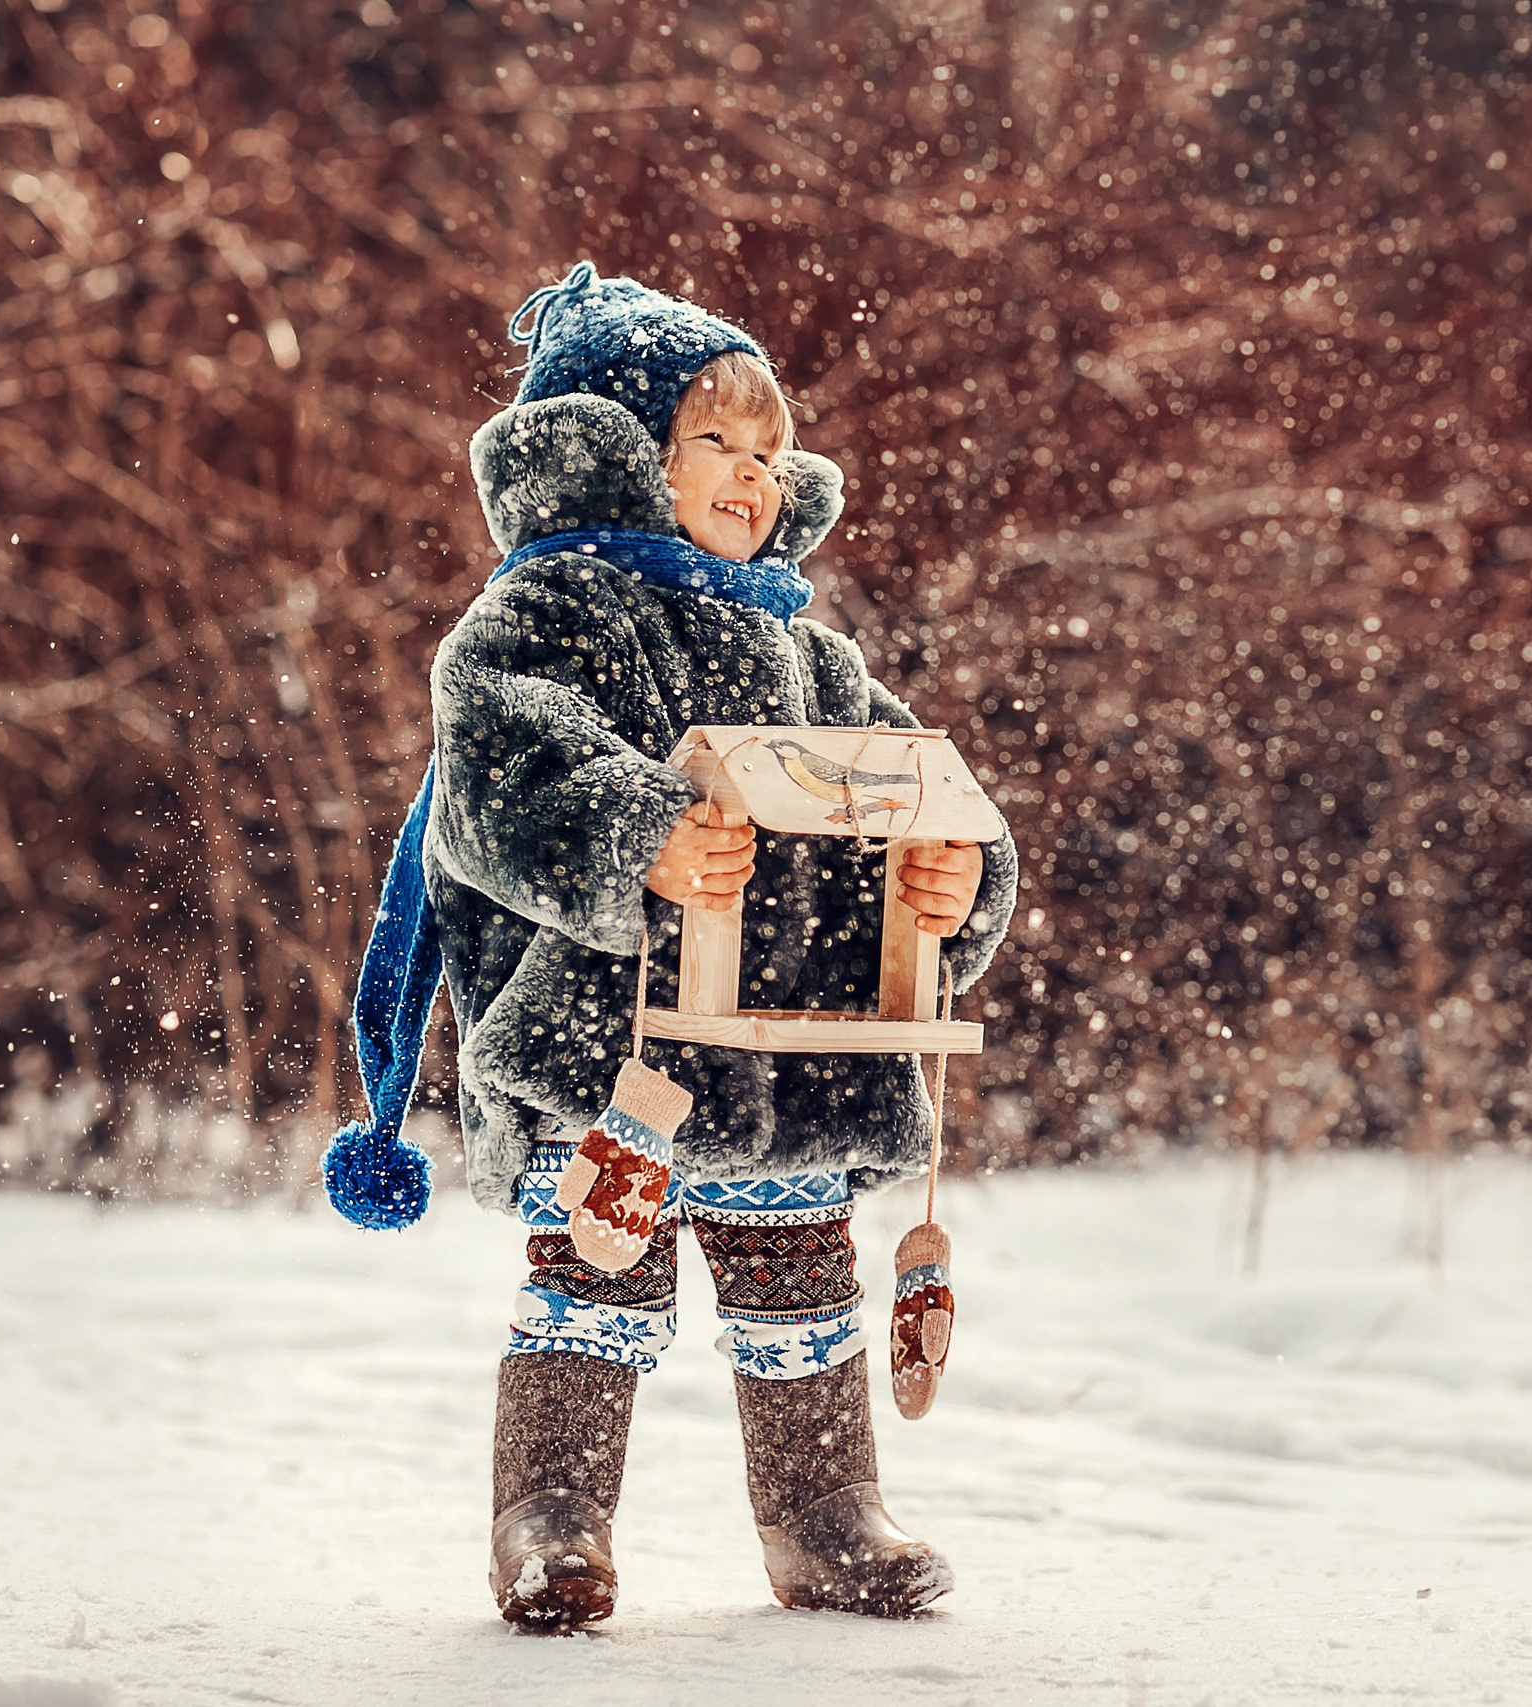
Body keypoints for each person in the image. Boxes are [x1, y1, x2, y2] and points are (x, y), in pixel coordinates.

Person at [324, 264, 1017, 1631]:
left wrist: (948, 880)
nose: (755, 478)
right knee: (596, 1273)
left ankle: (824, 1522)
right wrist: (638, 830)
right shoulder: (549, 613)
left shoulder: (810, 654)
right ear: (618, 457)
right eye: (717, 444)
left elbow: (907, 775)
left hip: (795, 1050)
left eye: (770, 451)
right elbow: (499, 770)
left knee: (804, 1279)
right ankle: (553, 1522)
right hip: (609, 1043)